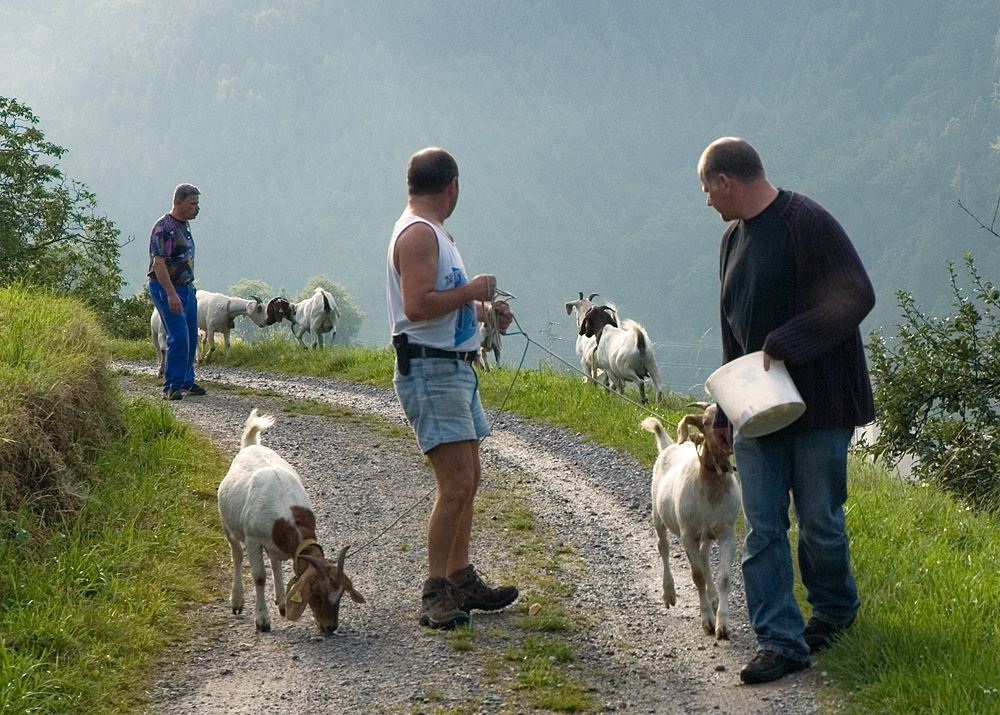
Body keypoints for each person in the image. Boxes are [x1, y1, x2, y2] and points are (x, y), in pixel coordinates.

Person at [697, 137, 875, 684]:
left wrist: (786, 342)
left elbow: (856, 295)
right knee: (764, 528)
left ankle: (835, 613)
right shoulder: (731, 241)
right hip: (757, 412)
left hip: (820, 406)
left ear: (727, 182)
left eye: (707, 189)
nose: (706, 202)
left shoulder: (807, 222)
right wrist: (724, 410)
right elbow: (734, 332)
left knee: (820, 522)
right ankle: (780, 641)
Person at [386, 147, 519, 629]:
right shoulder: (420, 233)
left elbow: (436, 304)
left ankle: (460, 579)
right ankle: (435, 592)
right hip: (431, 370)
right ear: (452, 187)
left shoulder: (433, 233)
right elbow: (417, 306)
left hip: (452, 368)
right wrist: (472, 291)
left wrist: (486, 313)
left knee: (469, 478)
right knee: (456, 483)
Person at [148, 183, 205, 400]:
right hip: (167, 288)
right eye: (192, 204)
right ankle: (171, 386)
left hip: (186, 288)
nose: (196, 208)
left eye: (197, 204)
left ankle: (186, 381)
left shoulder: (184, 225)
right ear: (177, 203)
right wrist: (171, 294)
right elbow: (159, 264)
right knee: (179, 337)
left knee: (191, 335)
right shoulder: (164, 228)